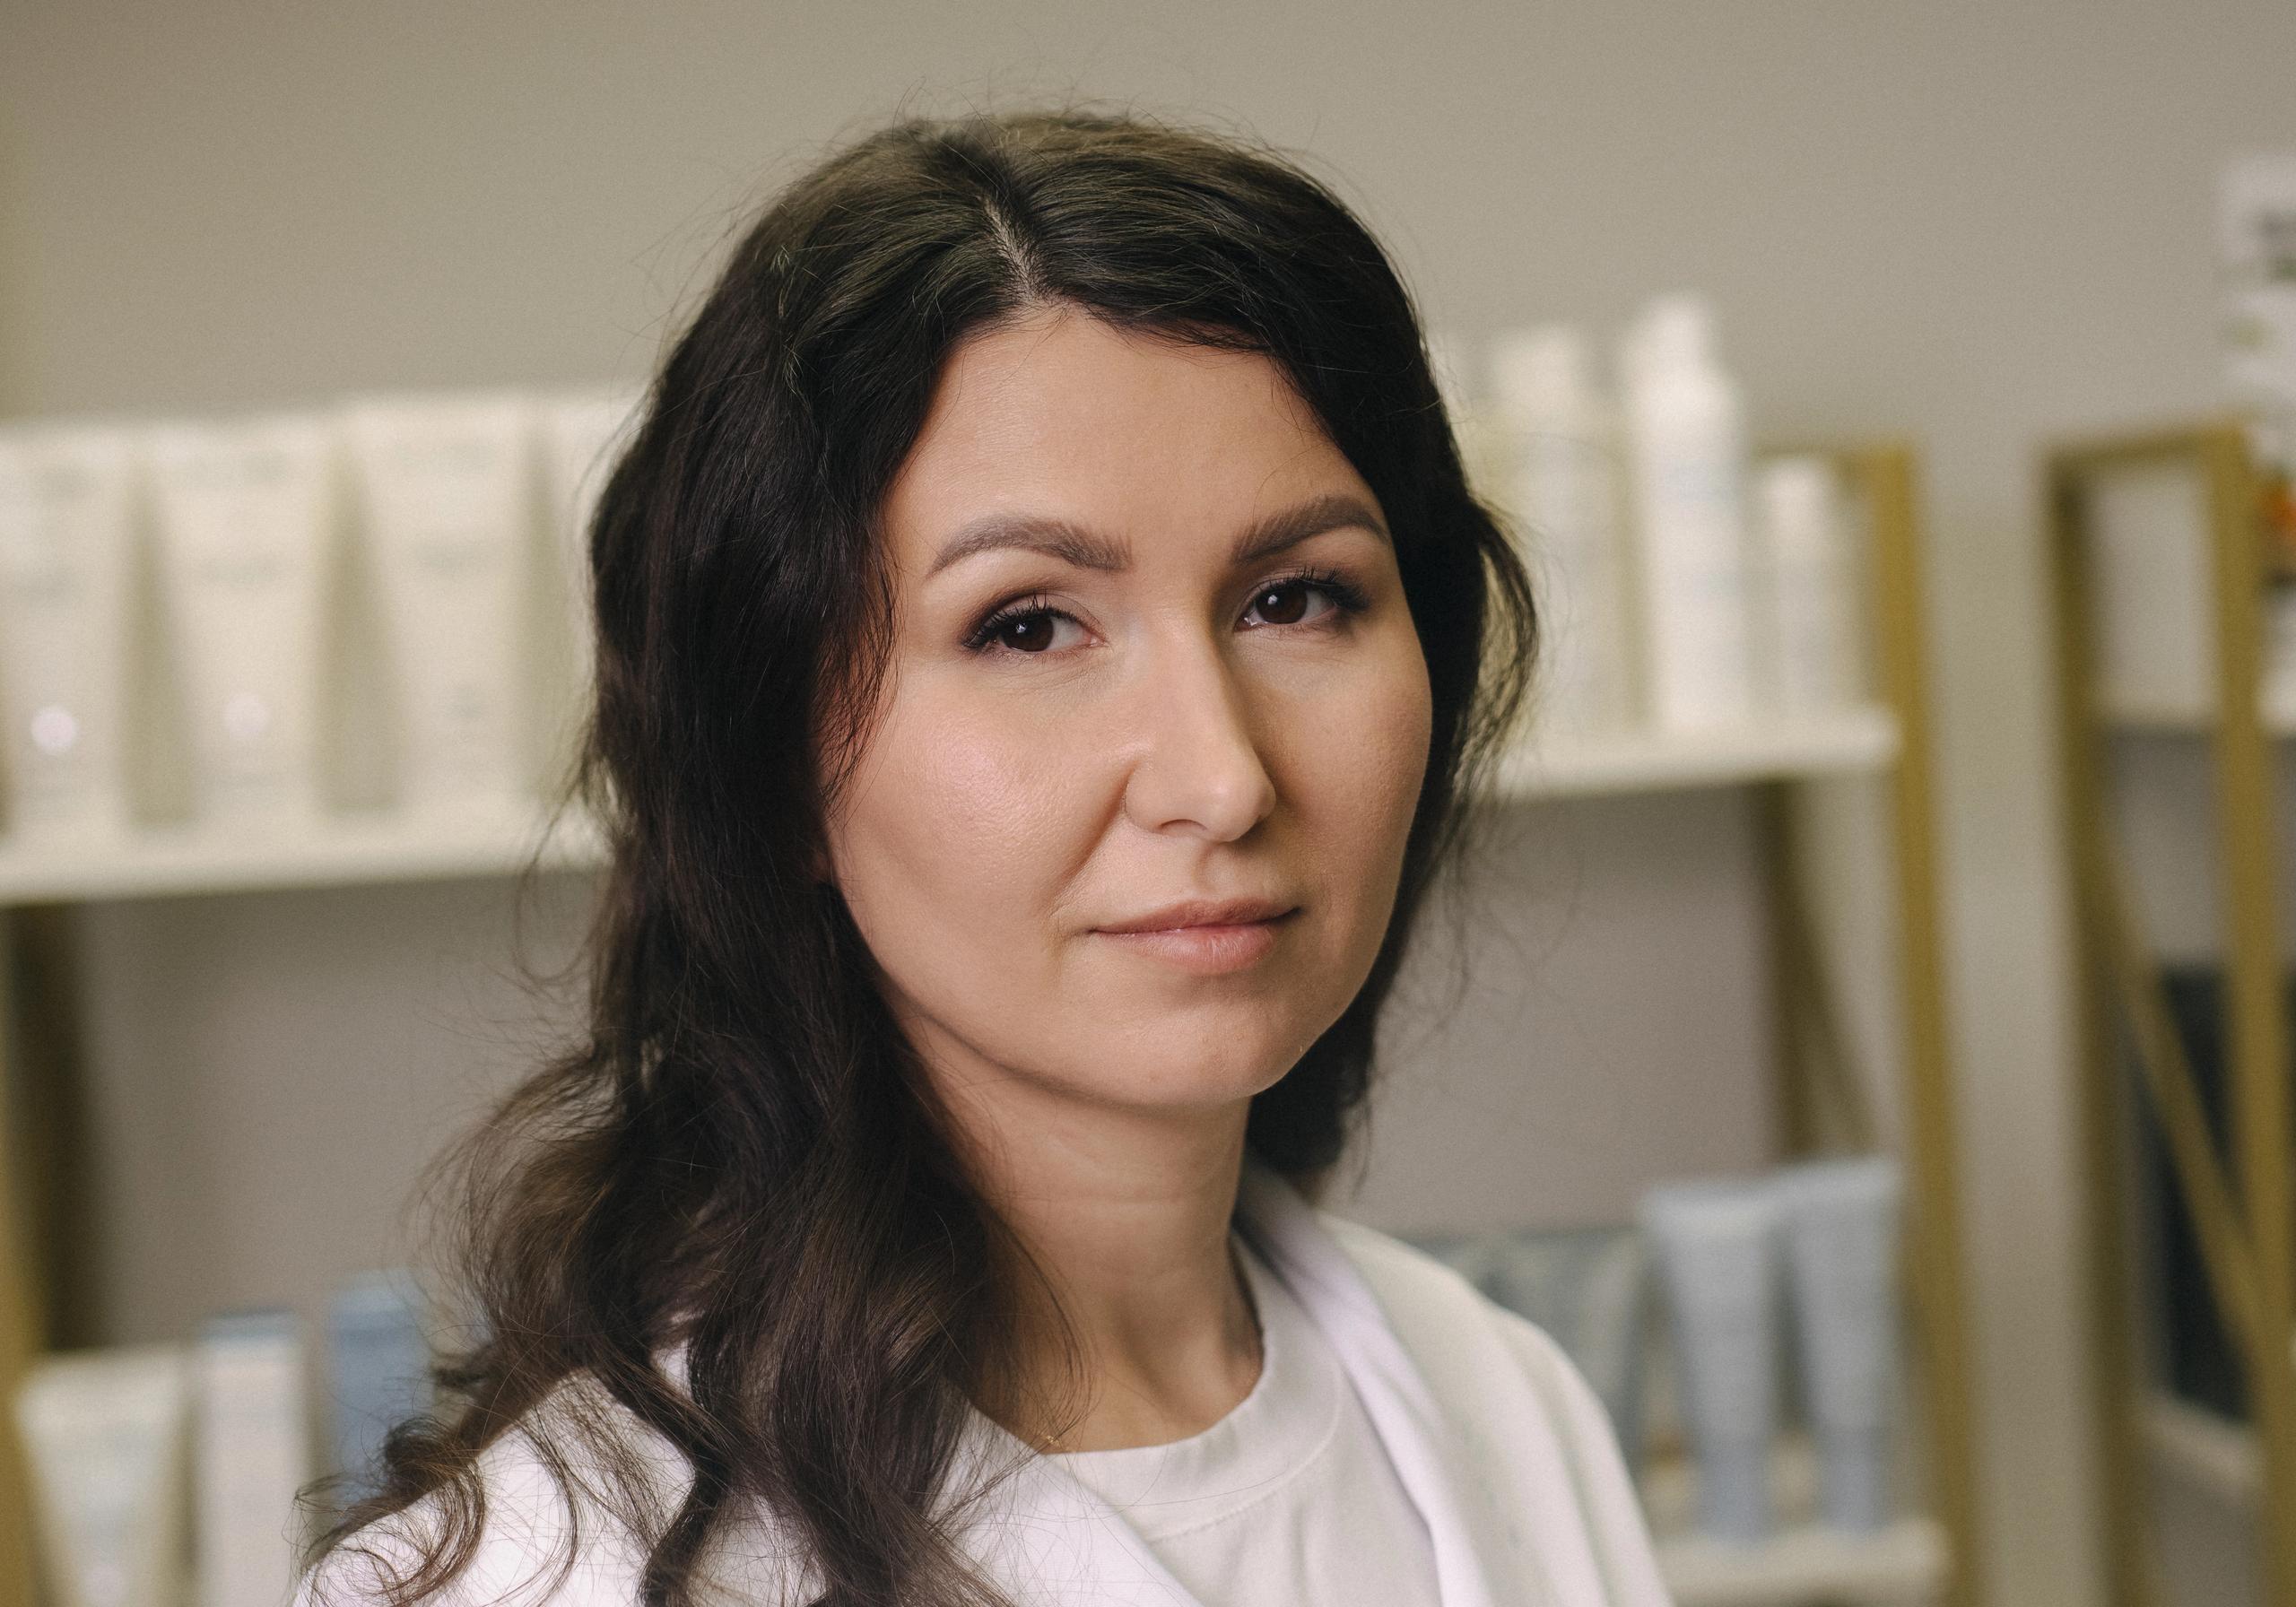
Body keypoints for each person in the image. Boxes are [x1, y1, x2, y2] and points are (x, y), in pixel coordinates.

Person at [297, 106, 1673, 1607]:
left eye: (1297, 599)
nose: (1221, 779)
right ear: (773, 769)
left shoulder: (1504, 1404)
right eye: (1027, 626)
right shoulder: (544, 1581)